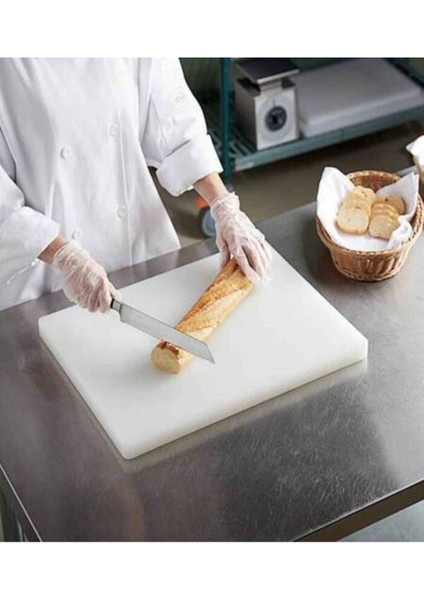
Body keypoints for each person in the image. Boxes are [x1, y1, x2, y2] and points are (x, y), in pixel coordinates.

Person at [0, 58, 272, 312]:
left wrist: (223, 205)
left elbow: (175, 121)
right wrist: (65, 256)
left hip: (139, 253)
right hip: (46, 279)